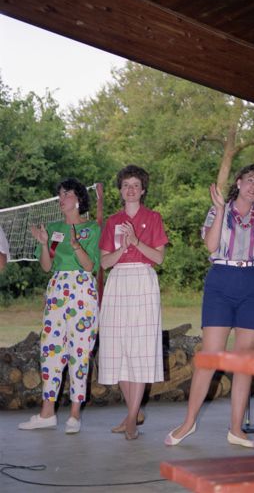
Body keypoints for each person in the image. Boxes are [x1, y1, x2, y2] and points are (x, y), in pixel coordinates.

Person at [165, 163, 254, 448]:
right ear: (239, 182)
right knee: (211, 355)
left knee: (244, 359)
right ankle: (188, 423)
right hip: (221, 280)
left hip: (253, 283)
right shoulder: (219, 209)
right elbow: (211, 245)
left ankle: (236, 429)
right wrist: (219, 211)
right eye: (251, 180)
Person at [18, 178, 101, 434]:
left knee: (80, 351)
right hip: (57, 291)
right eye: (60, 194)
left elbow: (90, 266)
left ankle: (74, 414)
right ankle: (47, 413)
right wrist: (43, 243)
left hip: (83, 291)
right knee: (52, 350)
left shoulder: (92, 229)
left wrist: (76, 245)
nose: (61, 198)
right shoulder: (53, 228)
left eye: (67, 193)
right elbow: (46, 266)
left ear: (78, 199)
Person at [98, 164, 168, 440]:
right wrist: (123, 248)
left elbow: (159, 258)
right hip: (118, 282)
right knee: (119, 350)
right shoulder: (113, 221)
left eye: (135, 185)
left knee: (139, 350)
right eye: (126, 185)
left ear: (143, 190)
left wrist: (136, 242)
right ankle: (132, 414)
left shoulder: (153, 218)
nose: (130, 190)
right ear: (120, 190)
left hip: (143, 281)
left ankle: (130, 420)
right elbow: (103, 262)